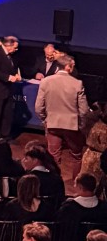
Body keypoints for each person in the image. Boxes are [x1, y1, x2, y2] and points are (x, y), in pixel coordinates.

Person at [37, 52, 90, 189]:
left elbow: (38, 107)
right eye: (72, 66)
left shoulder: (46, 81)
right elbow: (84, 110)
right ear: (67, 67)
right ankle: (76, 185)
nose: (73, 68)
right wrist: (82, 125)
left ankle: (52, 184)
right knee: (77, 156)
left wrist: (46, 120)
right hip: (72, 126)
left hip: (52, 124)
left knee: (53, 156)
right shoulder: (77, 84)